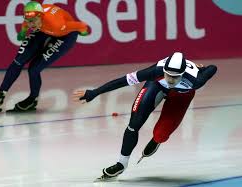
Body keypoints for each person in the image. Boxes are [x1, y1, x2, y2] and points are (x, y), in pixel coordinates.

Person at [73, 52, 217, 180]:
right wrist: (95, 92)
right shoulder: (155, 71)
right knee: (133, 124)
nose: (171, 80)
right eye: (168, 75)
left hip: (181, 95)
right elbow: (123, 81)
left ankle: (156, 141)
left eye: (175, 77)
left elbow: (213, 68)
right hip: (156, 85)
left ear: (182, 74)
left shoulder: (195, 80)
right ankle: (121, 164)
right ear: (164, 70)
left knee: (161, 135)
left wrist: (201, 70)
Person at [0, 1, 88, 112]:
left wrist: (84, 32)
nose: (30, 24)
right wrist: (22, 32)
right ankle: (0, 95)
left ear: (41, 16)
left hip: (65, 35)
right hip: (43, 29)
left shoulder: (58, 25)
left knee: (34, 69)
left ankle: (32, 99)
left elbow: (81, 25)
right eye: (28, 21)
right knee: (18, 61)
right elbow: (28, 23)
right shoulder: (33, 19)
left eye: (33, 21)